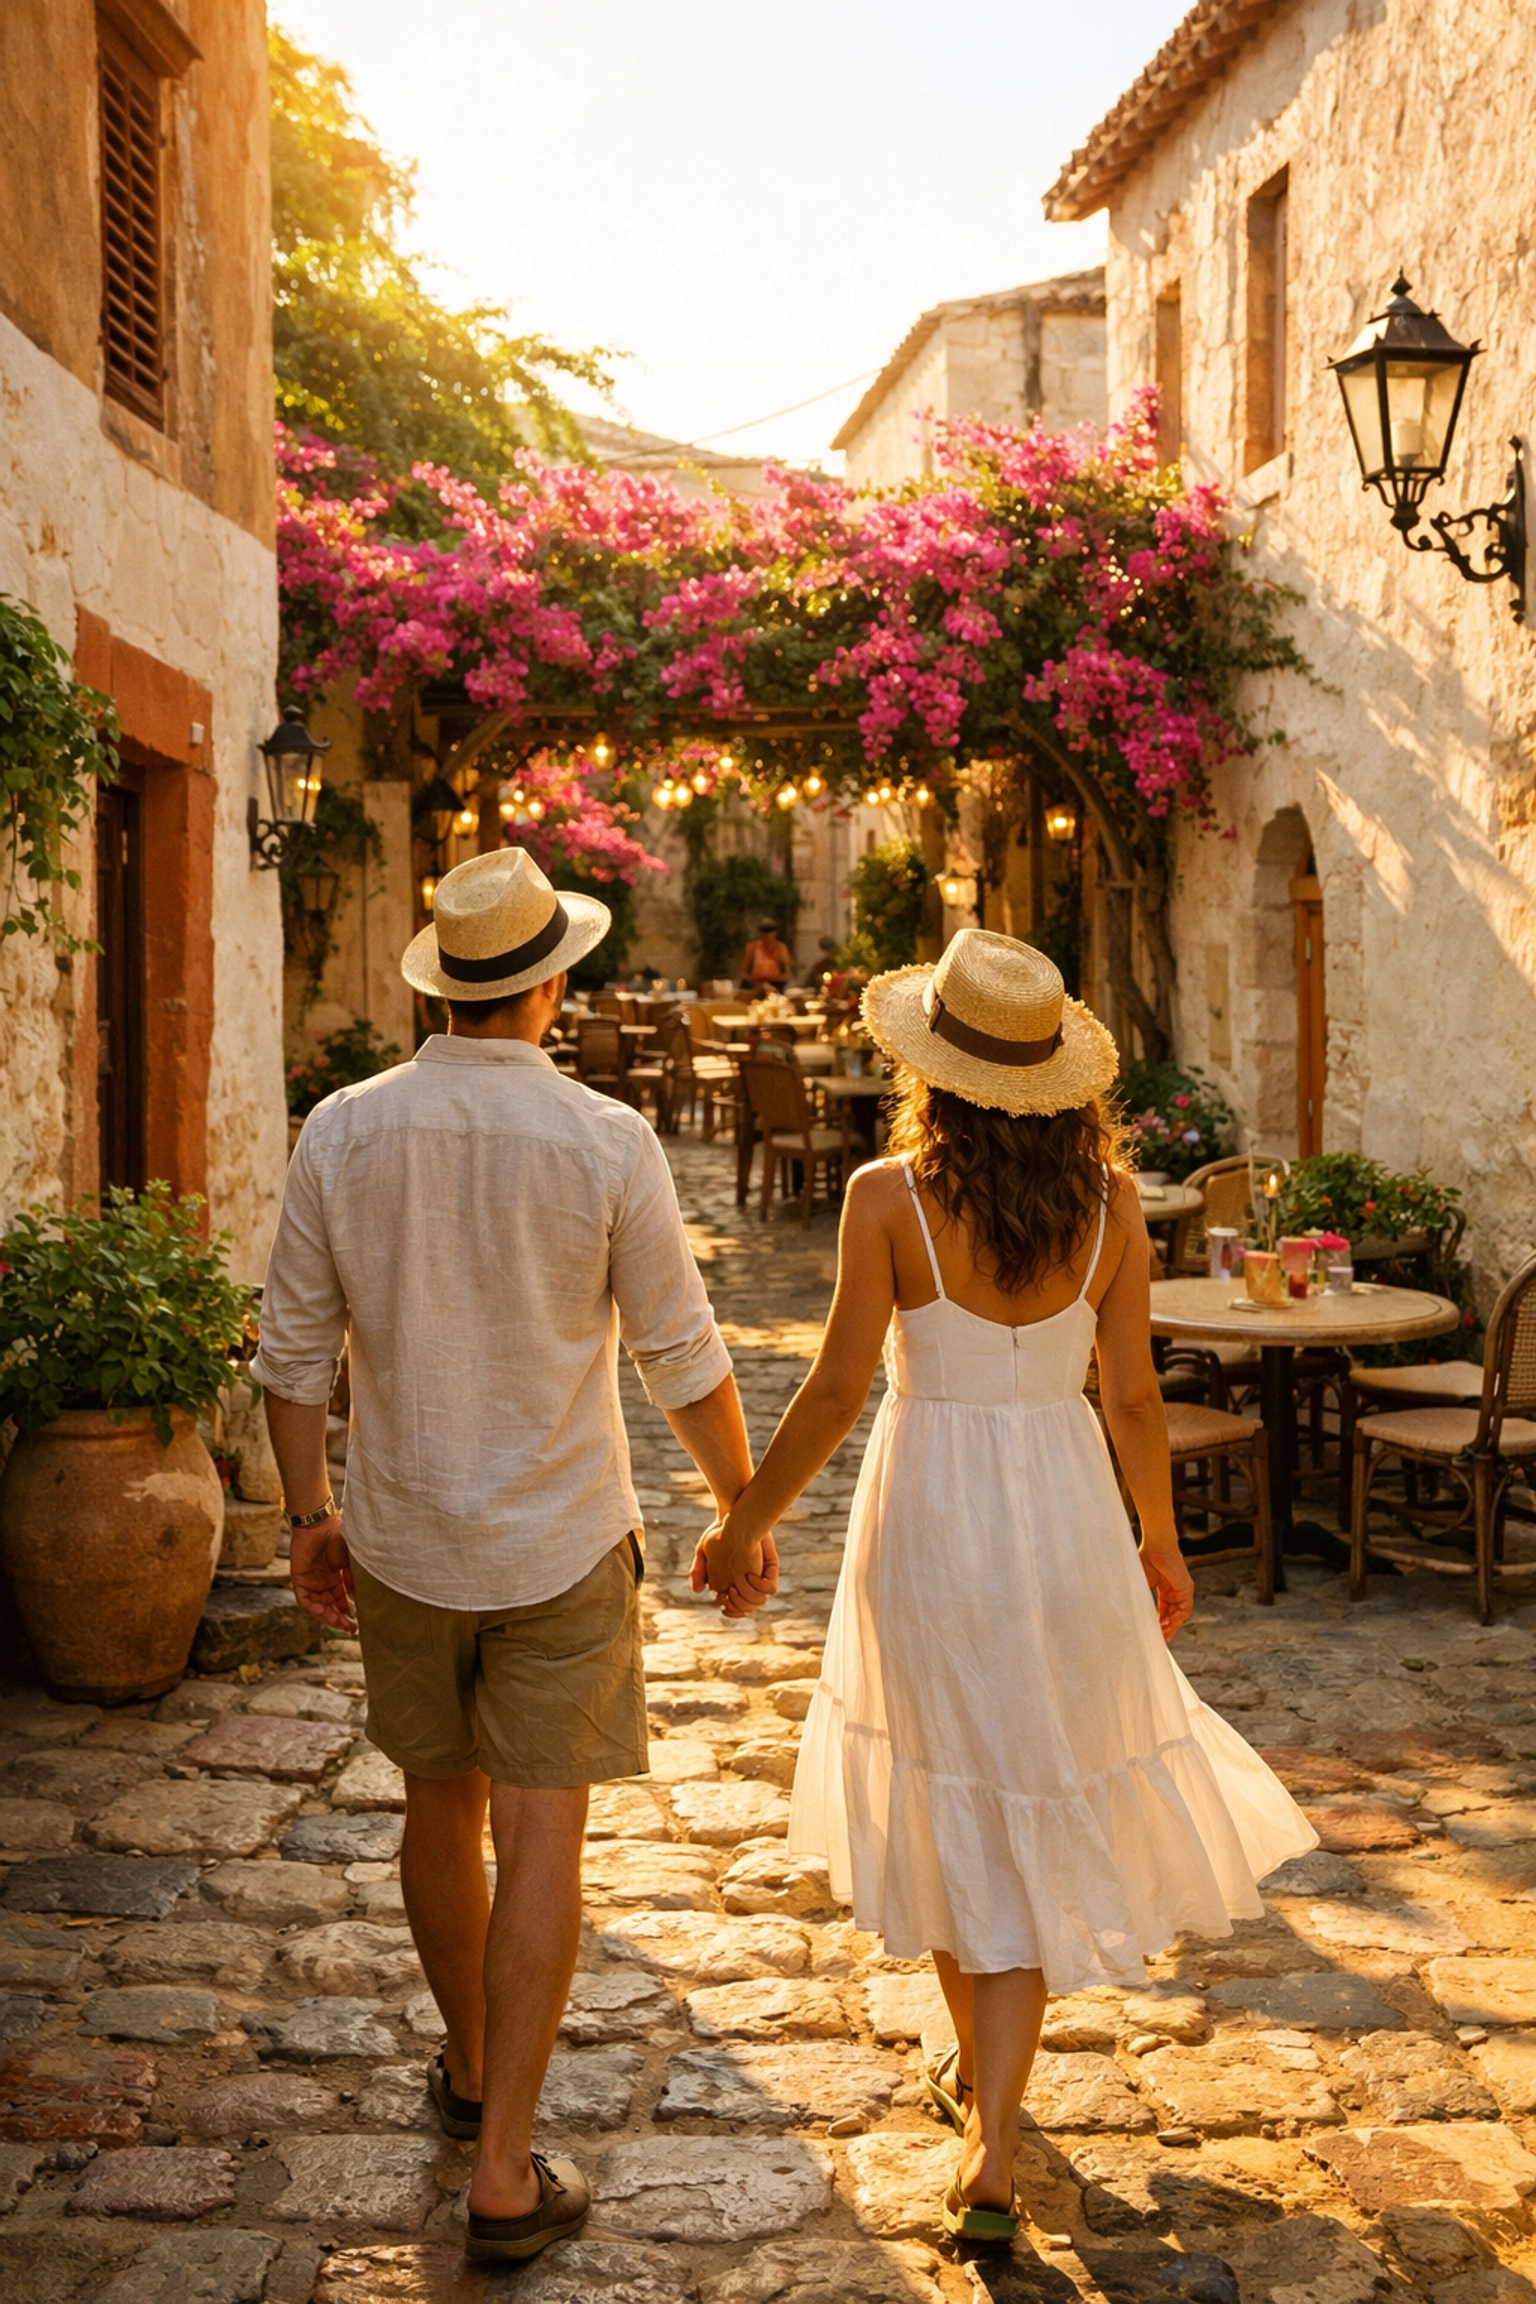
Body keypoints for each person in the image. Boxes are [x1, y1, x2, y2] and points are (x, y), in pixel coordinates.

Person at [700, 930, 1314, 2244]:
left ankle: (987, 2118)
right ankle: (991, 2116)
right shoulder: (1114, 1207)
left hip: (930, 1515)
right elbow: (1133, 1398)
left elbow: (835, 1390)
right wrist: (1160, 1540)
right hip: (1065, 1515)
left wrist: (746, 1522)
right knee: (1023, 1784)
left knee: (948, 1786)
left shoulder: (886, 1197)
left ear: (936, 1069)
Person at [254, 848, 774, 2266]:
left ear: (442, 988)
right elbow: (681, 1353)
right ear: (550, 985)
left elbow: (290, 1354)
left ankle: (475, 2066)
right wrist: (740, 1508)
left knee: (440, 1803)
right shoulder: (605, 1139)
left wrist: (307, 1514)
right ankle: (501, 2169)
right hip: (559, 1540)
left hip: (406, 1537)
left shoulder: (343, 1130)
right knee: (545, 1828)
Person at [741, 917, 790, 991]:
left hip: (775, 985)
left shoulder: (781, 948)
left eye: (770, 934)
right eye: (764, 934)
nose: (767, 937)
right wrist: (758, 983)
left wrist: (773, 981)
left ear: (775, 934)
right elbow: (743, 973)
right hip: (756, 985)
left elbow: (787, 973)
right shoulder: (752, 947)